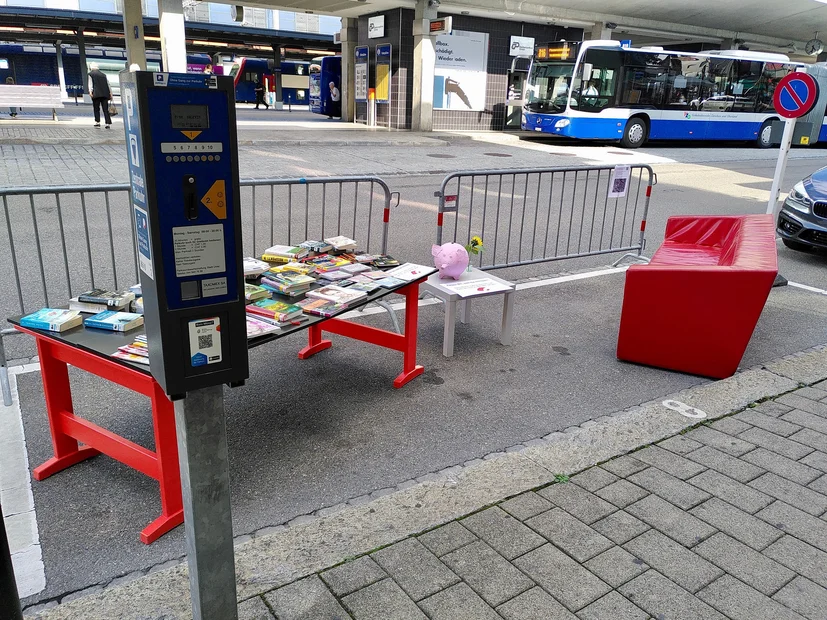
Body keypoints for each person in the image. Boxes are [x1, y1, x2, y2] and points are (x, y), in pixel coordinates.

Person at [88, 63, 112, 128]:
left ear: (91, 67)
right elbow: (108, 84)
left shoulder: (91, 74)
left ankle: (97, 122)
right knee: (105, 109)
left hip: (96, 94)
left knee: (96, 108)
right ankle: (107, 123)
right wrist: (110, 93)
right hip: (105, 93)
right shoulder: (103, 75)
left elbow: (90, 84)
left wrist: (90, 92)